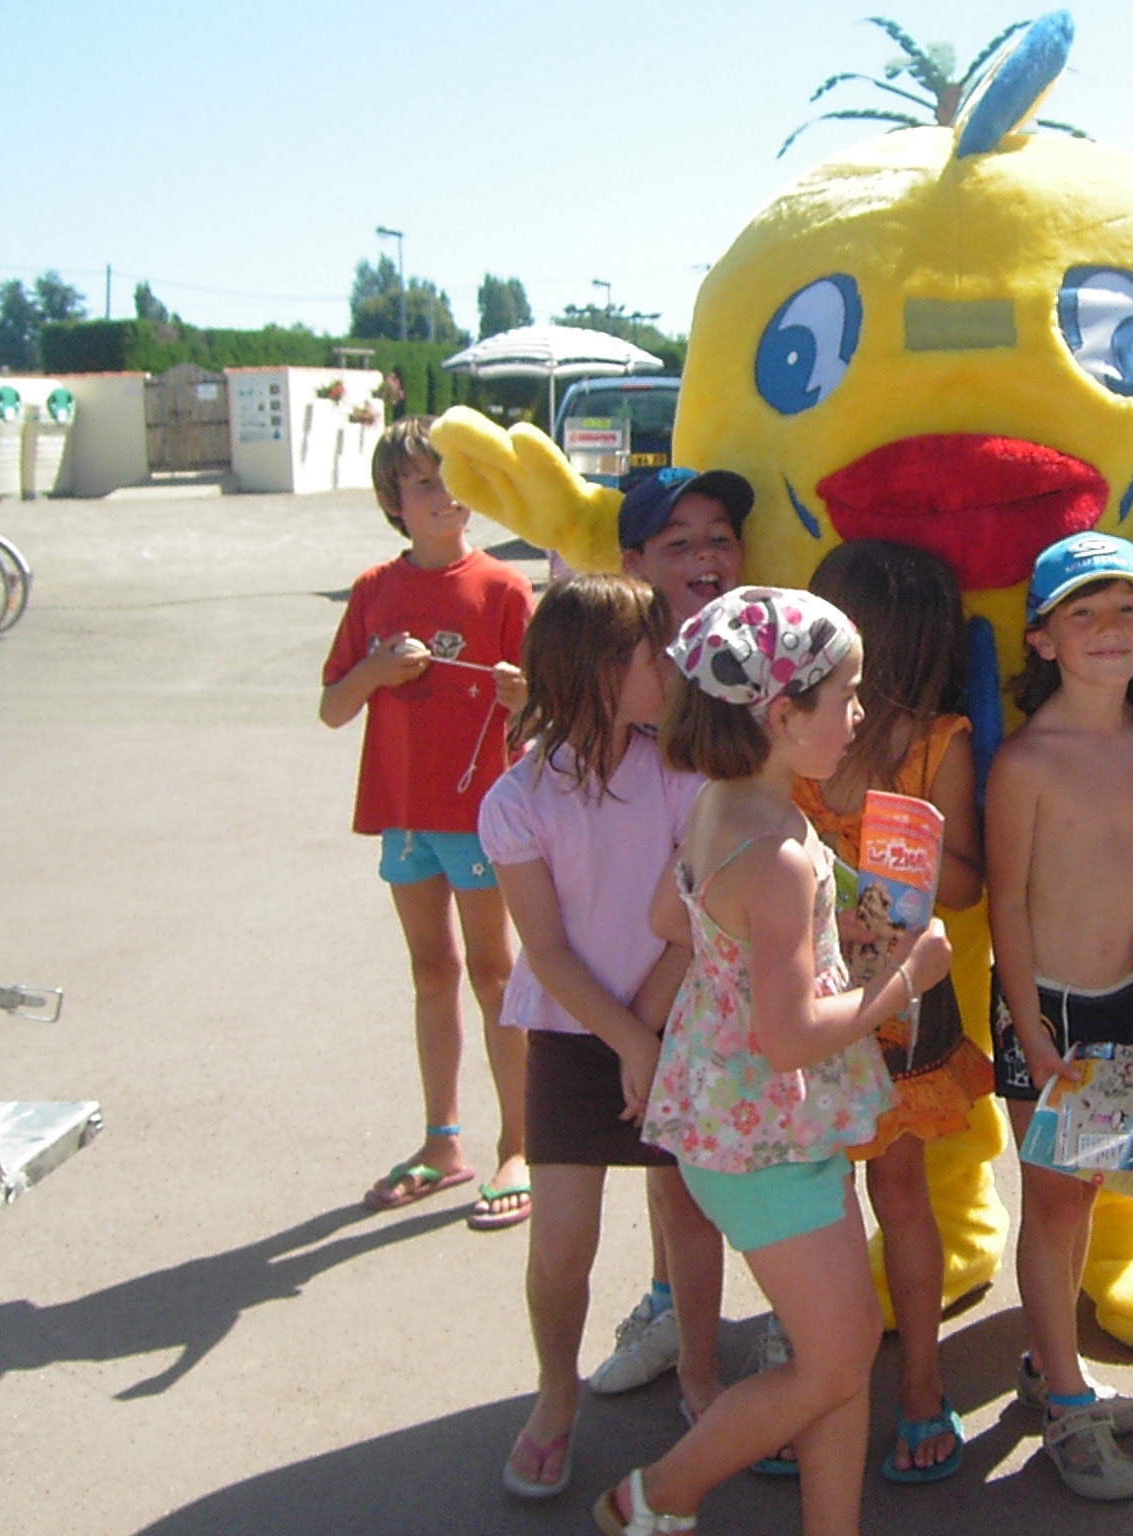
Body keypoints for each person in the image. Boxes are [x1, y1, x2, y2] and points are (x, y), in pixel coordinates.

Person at [598, 587, 950, 1536]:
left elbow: (672, 916)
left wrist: (801, 944)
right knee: (836, 1361)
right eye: (846, 696)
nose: (860, 715)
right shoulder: (778, 850)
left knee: (835, 1360)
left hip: (753, 1125)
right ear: (782, 715)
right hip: (765, 1140)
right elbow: (788, 1037)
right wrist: (904, 978)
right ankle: (655, 1496)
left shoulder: (722, 805)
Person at [478, 574, 726, 1500]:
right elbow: (543, 950)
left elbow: (692, 925)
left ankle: (700, 1374)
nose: (672, 670)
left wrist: (650, 1035)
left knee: (688, 1213)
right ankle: (555, 1395)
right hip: (573, 1034)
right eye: (654, 653)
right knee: (560, 1243)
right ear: (593, 669)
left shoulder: (683, 775)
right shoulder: (515, 800)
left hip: (675, 1019)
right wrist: (627, 1043)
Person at [986, 532, 1133, 1501]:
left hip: (1122, 1006)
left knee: (1088, 1193)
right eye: (1084, 612)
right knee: (1055, 1200)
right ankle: (1067, 1403)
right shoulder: (1024, 761)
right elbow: (1007, 905)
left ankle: (1049, 1360)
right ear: (1043, 638)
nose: (1109, 629)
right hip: (1044, 1011)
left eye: (1128, 610)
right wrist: (1030, 1031)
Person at [793, 540, 993, 1484]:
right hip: (800, 995)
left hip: (899, 1002)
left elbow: (966, 885)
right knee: (810, 1206)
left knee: (900, 1196)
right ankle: (811, 1387)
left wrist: (895, 846)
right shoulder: (783, 735)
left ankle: (919, 1384)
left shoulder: (939, 744)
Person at [319, 415, 533, 1228]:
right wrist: (375, 670)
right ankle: (443, 1142)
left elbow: (548, 718)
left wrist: (526, 696)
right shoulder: (373, 590)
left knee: (495, 975)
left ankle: (519, 1144)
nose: (444, 495)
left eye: (454, 478)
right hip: (404, 817)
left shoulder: (505, 589)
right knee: (431, 973)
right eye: (422, 484)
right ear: (393, 504)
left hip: (481, 818)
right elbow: (332, 708)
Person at [586, 466, 751, 1398]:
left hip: (749, 960)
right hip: (650, 969)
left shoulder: (765, 657)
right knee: (670, 1163)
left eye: (719, 536)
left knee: (783, 1155)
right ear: (634, 563)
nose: (703, 556)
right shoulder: (621, 682)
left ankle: (785, 1331)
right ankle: (673, 1314)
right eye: (677, 542)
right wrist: (641, 1014)